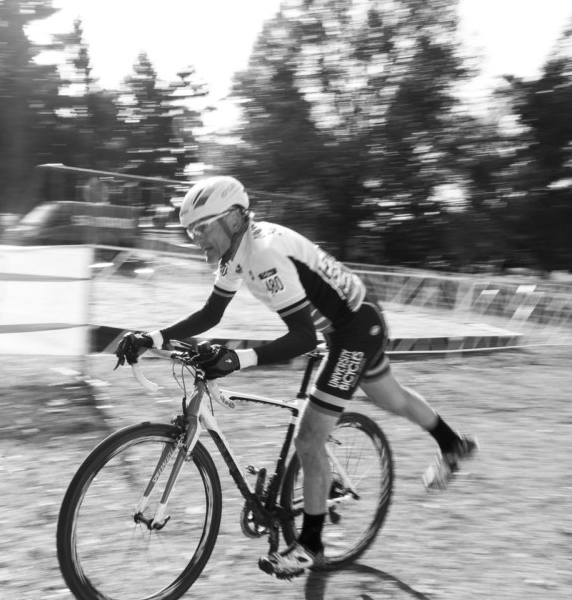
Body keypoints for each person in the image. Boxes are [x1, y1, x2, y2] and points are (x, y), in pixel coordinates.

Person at [113, 176, 477, 578]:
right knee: (389, 398)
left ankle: (311, 544)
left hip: (355, 327)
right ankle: (452, 442)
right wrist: (155, 336)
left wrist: (238, 359)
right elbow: (211, 314)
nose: (196, 239)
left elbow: (302, 336)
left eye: (202, 228)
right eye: (191, 231)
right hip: (350, 322)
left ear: (233, 219)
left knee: (309, 437)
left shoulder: (264, 252)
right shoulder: (237, 251)